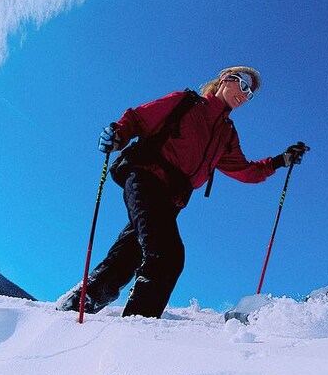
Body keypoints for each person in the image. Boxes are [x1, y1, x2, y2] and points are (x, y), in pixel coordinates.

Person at [57, 66, 308, 318]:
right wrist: (118, 135)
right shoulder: (186, 103)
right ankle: (137, 327)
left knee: (130, 253)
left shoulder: (226, 134)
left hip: (171, 199)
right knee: (167, 256)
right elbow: (138, 119)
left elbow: (245, 171)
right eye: (243, 85)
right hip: (146, 177)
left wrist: (280, 161)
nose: (244, 95)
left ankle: (77, 304)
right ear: (225, 79)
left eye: (250, 94)